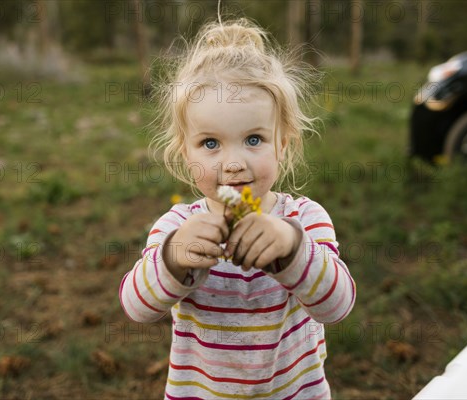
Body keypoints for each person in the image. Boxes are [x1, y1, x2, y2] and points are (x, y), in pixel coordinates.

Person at [119, 17, 356, 399]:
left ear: (283, 145)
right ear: (186, 153)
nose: (233, 163)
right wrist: (174, 259)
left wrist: (293, 248)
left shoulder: (304, 219)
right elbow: (137, 307)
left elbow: (337, 305)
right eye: (210, 143)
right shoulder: (178, 225)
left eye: (253, 139)